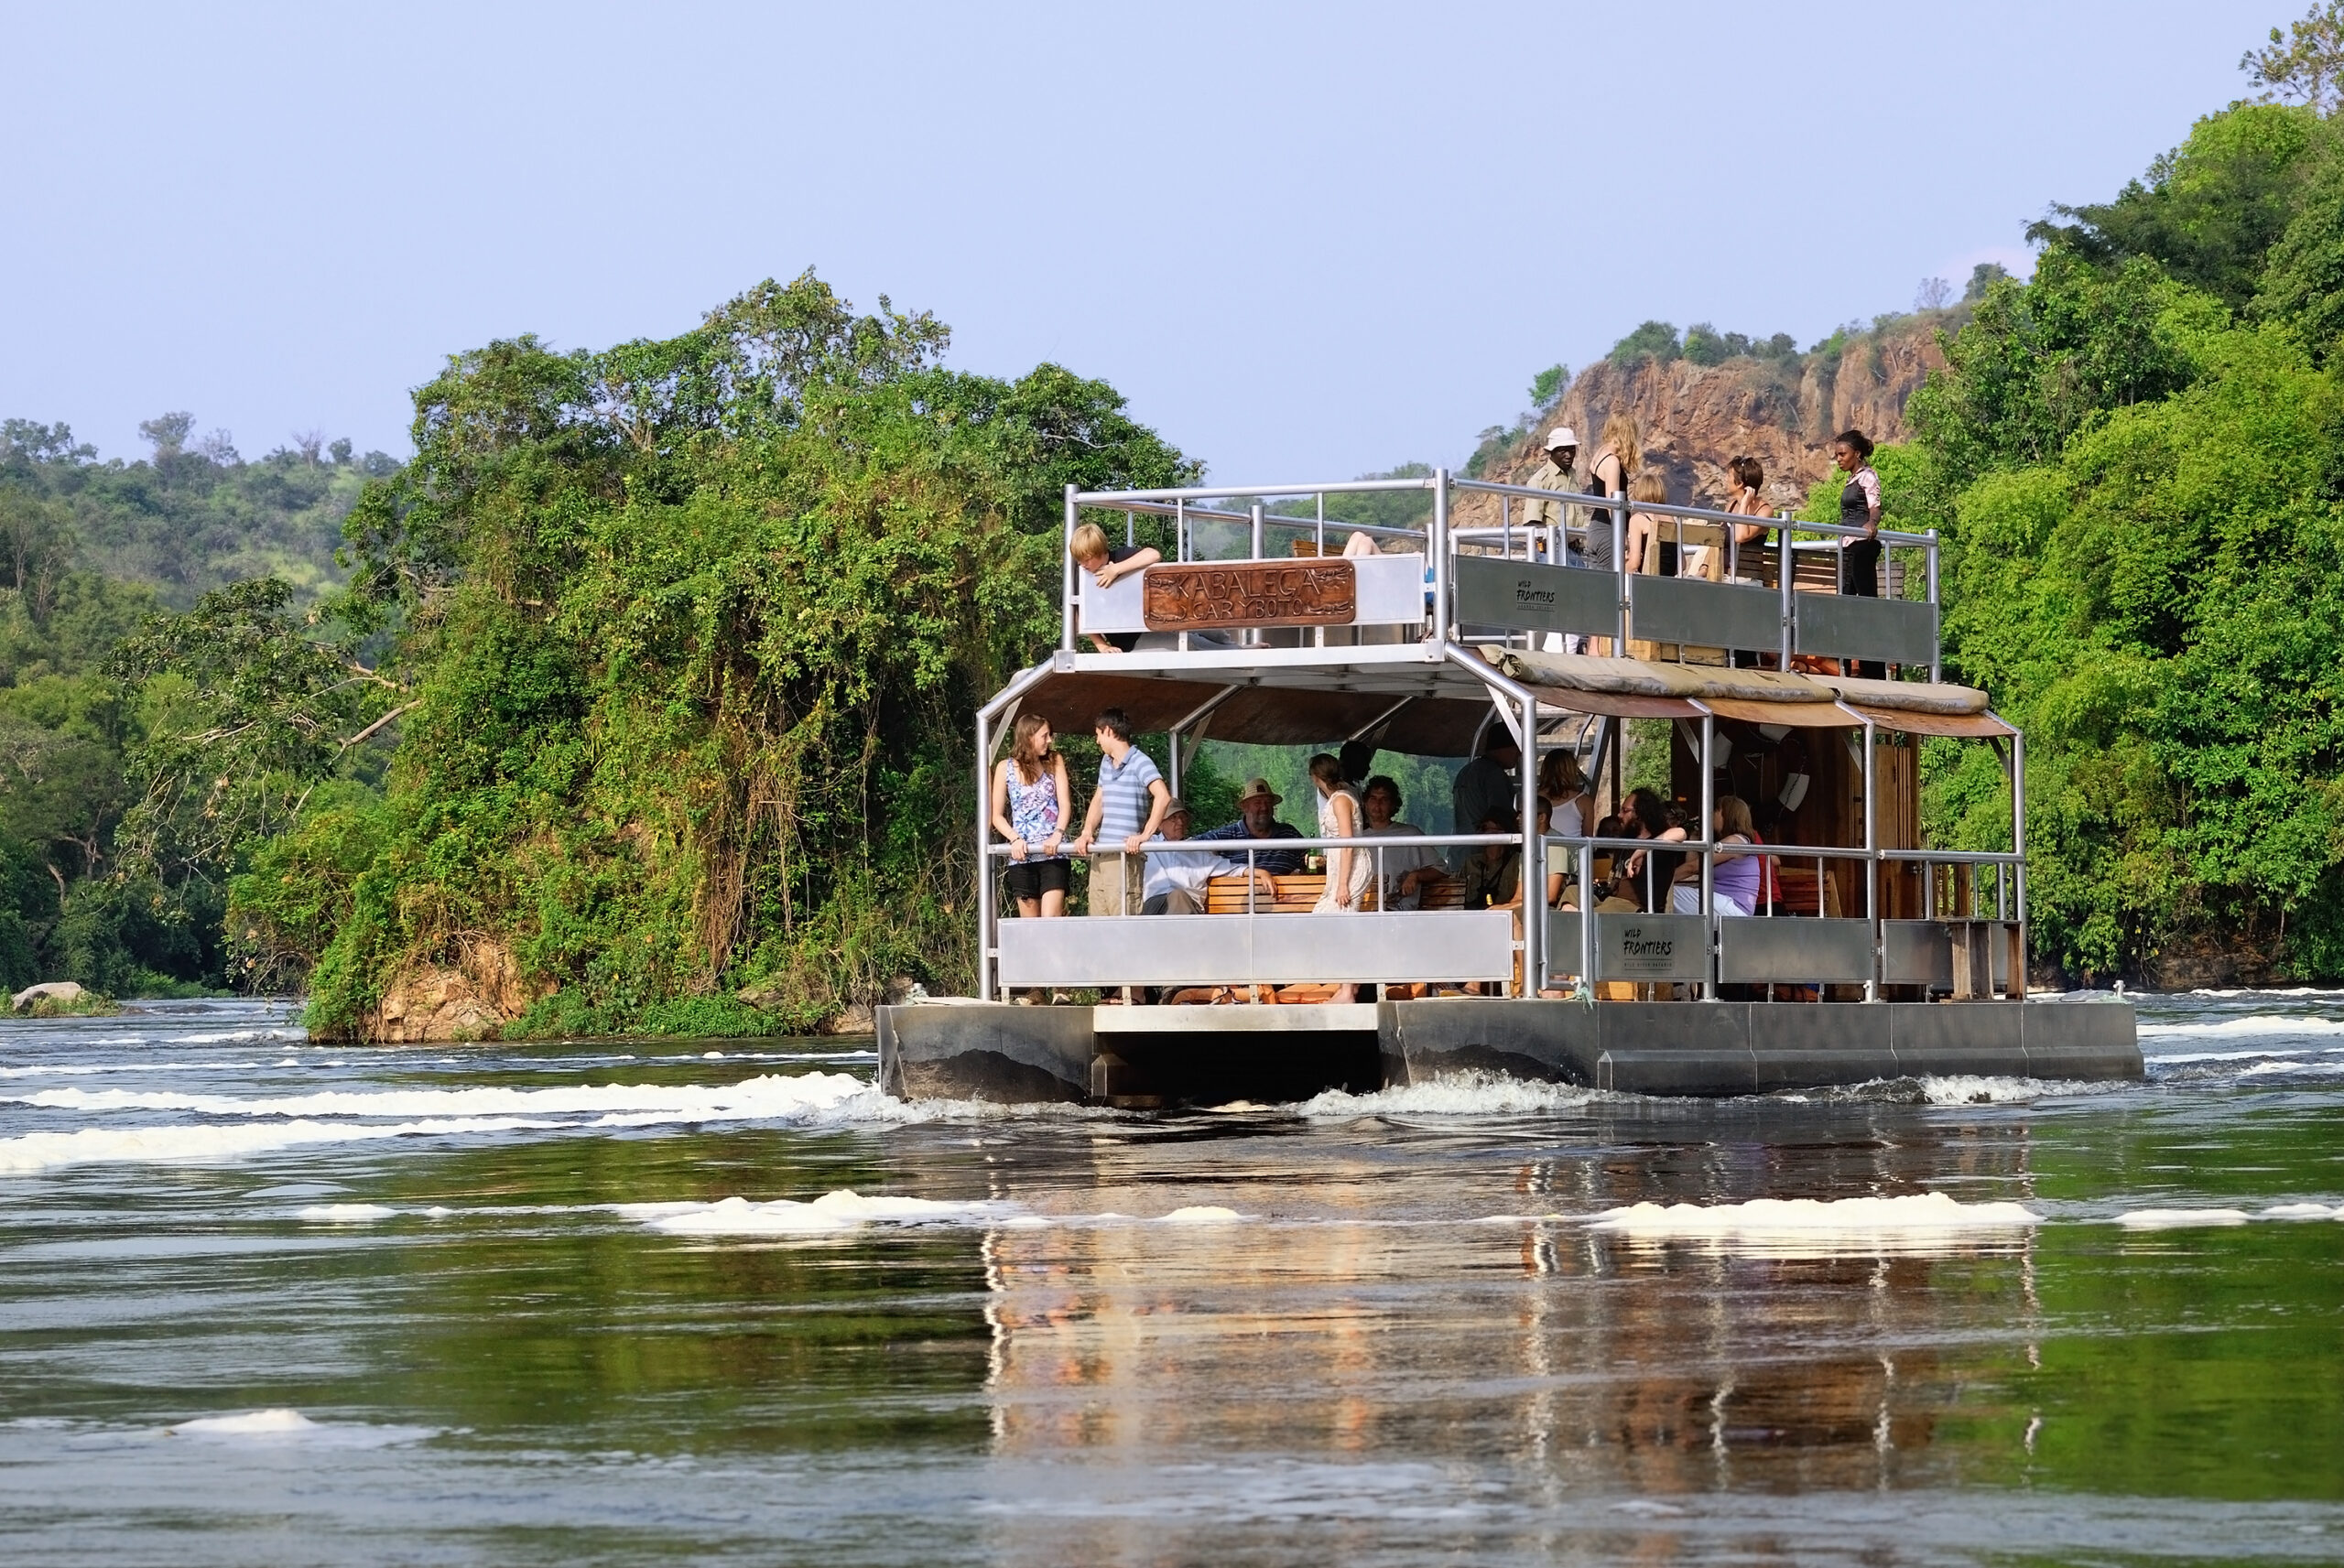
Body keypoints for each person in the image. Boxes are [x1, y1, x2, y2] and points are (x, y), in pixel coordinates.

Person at [1069, 707, 1170, 914]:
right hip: (1101, 855)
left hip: (1125, 856)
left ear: (1108, 731)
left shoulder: (1140, 761)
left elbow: (1163, 796)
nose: (1097, 741)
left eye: (1098, 734)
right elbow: (1099, 799)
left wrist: (1144, 836)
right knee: (1098, 921)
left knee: (1123, 921)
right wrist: (1087, 832)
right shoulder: (1106, 763)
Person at [989, 713, 1072, 920]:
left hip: (1053, 853)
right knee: (1030, 928)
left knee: (1050, 921)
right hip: (1022, 857)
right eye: (1045, 736)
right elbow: (996, 816)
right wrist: (1014, 838)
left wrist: (1058, 834)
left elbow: (1065, 805)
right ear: (1029, 737)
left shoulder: (1054, 761)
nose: (1050, 740)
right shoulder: (1004, 768)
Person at [1192, 776, 1308, 900]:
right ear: (1244, 807)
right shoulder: (1226, 836)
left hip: (1286, 910)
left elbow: (1310, 863)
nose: (1264, 808)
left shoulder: (1289, 834)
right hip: (1237, 912)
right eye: (1257, 803)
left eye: (1268, 803)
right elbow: (1191, 847)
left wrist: (1300, 872)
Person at [1833, 428, 1885, 679]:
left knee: (1865, 605)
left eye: (1843, 454)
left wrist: (1871, 524)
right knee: (1846, 606)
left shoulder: (1867, 477)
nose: (1839, 459)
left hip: (1861, 546)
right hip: (1847, 547)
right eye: (1836, 455)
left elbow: (1875, 506)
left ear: (1857, 453)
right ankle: (1846, 664)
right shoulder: (1851, 478)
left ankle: (1872, 667)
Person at [1069, 521, 1161, 654]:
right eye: (1079, 560)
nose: (1083, 564)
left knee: (1198, 643)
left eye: (1087, 559)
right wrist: (1102, 646)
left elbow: (1153, 554)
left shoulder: (1121, 556)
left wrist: (1116, 569)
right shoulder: (1081, 577)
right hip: (1127, 647)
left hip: (1152, 634)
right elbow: (1078, 614)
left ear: (1099, 551)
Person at [1668, 794, 1763, 916]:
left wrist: (1662, 881)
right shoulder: (1735, 840)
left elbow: (1693, 867)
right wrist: (1694, 837)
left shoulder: (1735, 841)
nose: (1711, 815)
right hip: (1725, 903)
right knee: (1669, 895)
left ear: (1726, 814)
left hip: (1732, 905)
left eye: (1715, 811)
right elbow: (1695, 865)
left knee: (1668, 893)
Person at [1362, 774, 1446, 909]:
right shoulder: (1355, 839)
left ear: (1393, 805)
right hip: (1363, 912)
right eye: (1373, 798)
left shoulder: (1410, 835)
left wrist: (1416, 876)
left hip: (1400, 914)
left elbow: (1440, 869)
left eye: (1384, 799)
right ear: (1365, 803)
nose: (1377, 804)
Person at [1450, 728, 1521, 870]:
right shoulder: (1494, 775)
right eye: (1515, 749)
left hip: (1459, 851)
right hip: (1484, 855)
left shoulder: (1465, 771)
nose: (1519, 754)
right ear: (1502, 748)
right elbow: (1500, 816)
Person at [1139, 797, 1217, 914]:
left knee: (1179, 896)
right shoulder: (1146, 845)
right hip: (1155, 907)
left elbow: (1232, 868)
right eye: (1173, 818)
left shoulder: (1198, 850)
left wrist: (1254, 870)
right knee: (1177, 895)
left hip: (1189, 907)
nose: (1180, 822)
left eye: (1182, 817)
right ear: (1159, 824)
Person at [1536, 750, 1591, 906]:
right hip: (1570, 871)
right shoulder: (1584, 801)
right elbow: (1588, 841)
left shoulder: (1534, 799)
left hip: (1538, 861)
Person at [1521, 426, 1579, 550]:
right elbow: (1532, 522)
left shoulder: (1572, 476)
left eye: (1572, 450)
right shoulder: (1540, 480)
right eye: (1563, 451)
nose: (1569, 455)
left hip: (1574, 550)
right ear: (1551, 452)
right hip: (1553, 549)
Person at [1461, 808, 1523, 911]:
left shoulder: (1518, 862)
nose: (1490, 834)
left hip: (1506, 916)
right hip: (1472, 917)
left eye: (1497, 830)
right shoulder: (1471, 862)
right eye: (1485, 829)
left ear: (1507, 832)